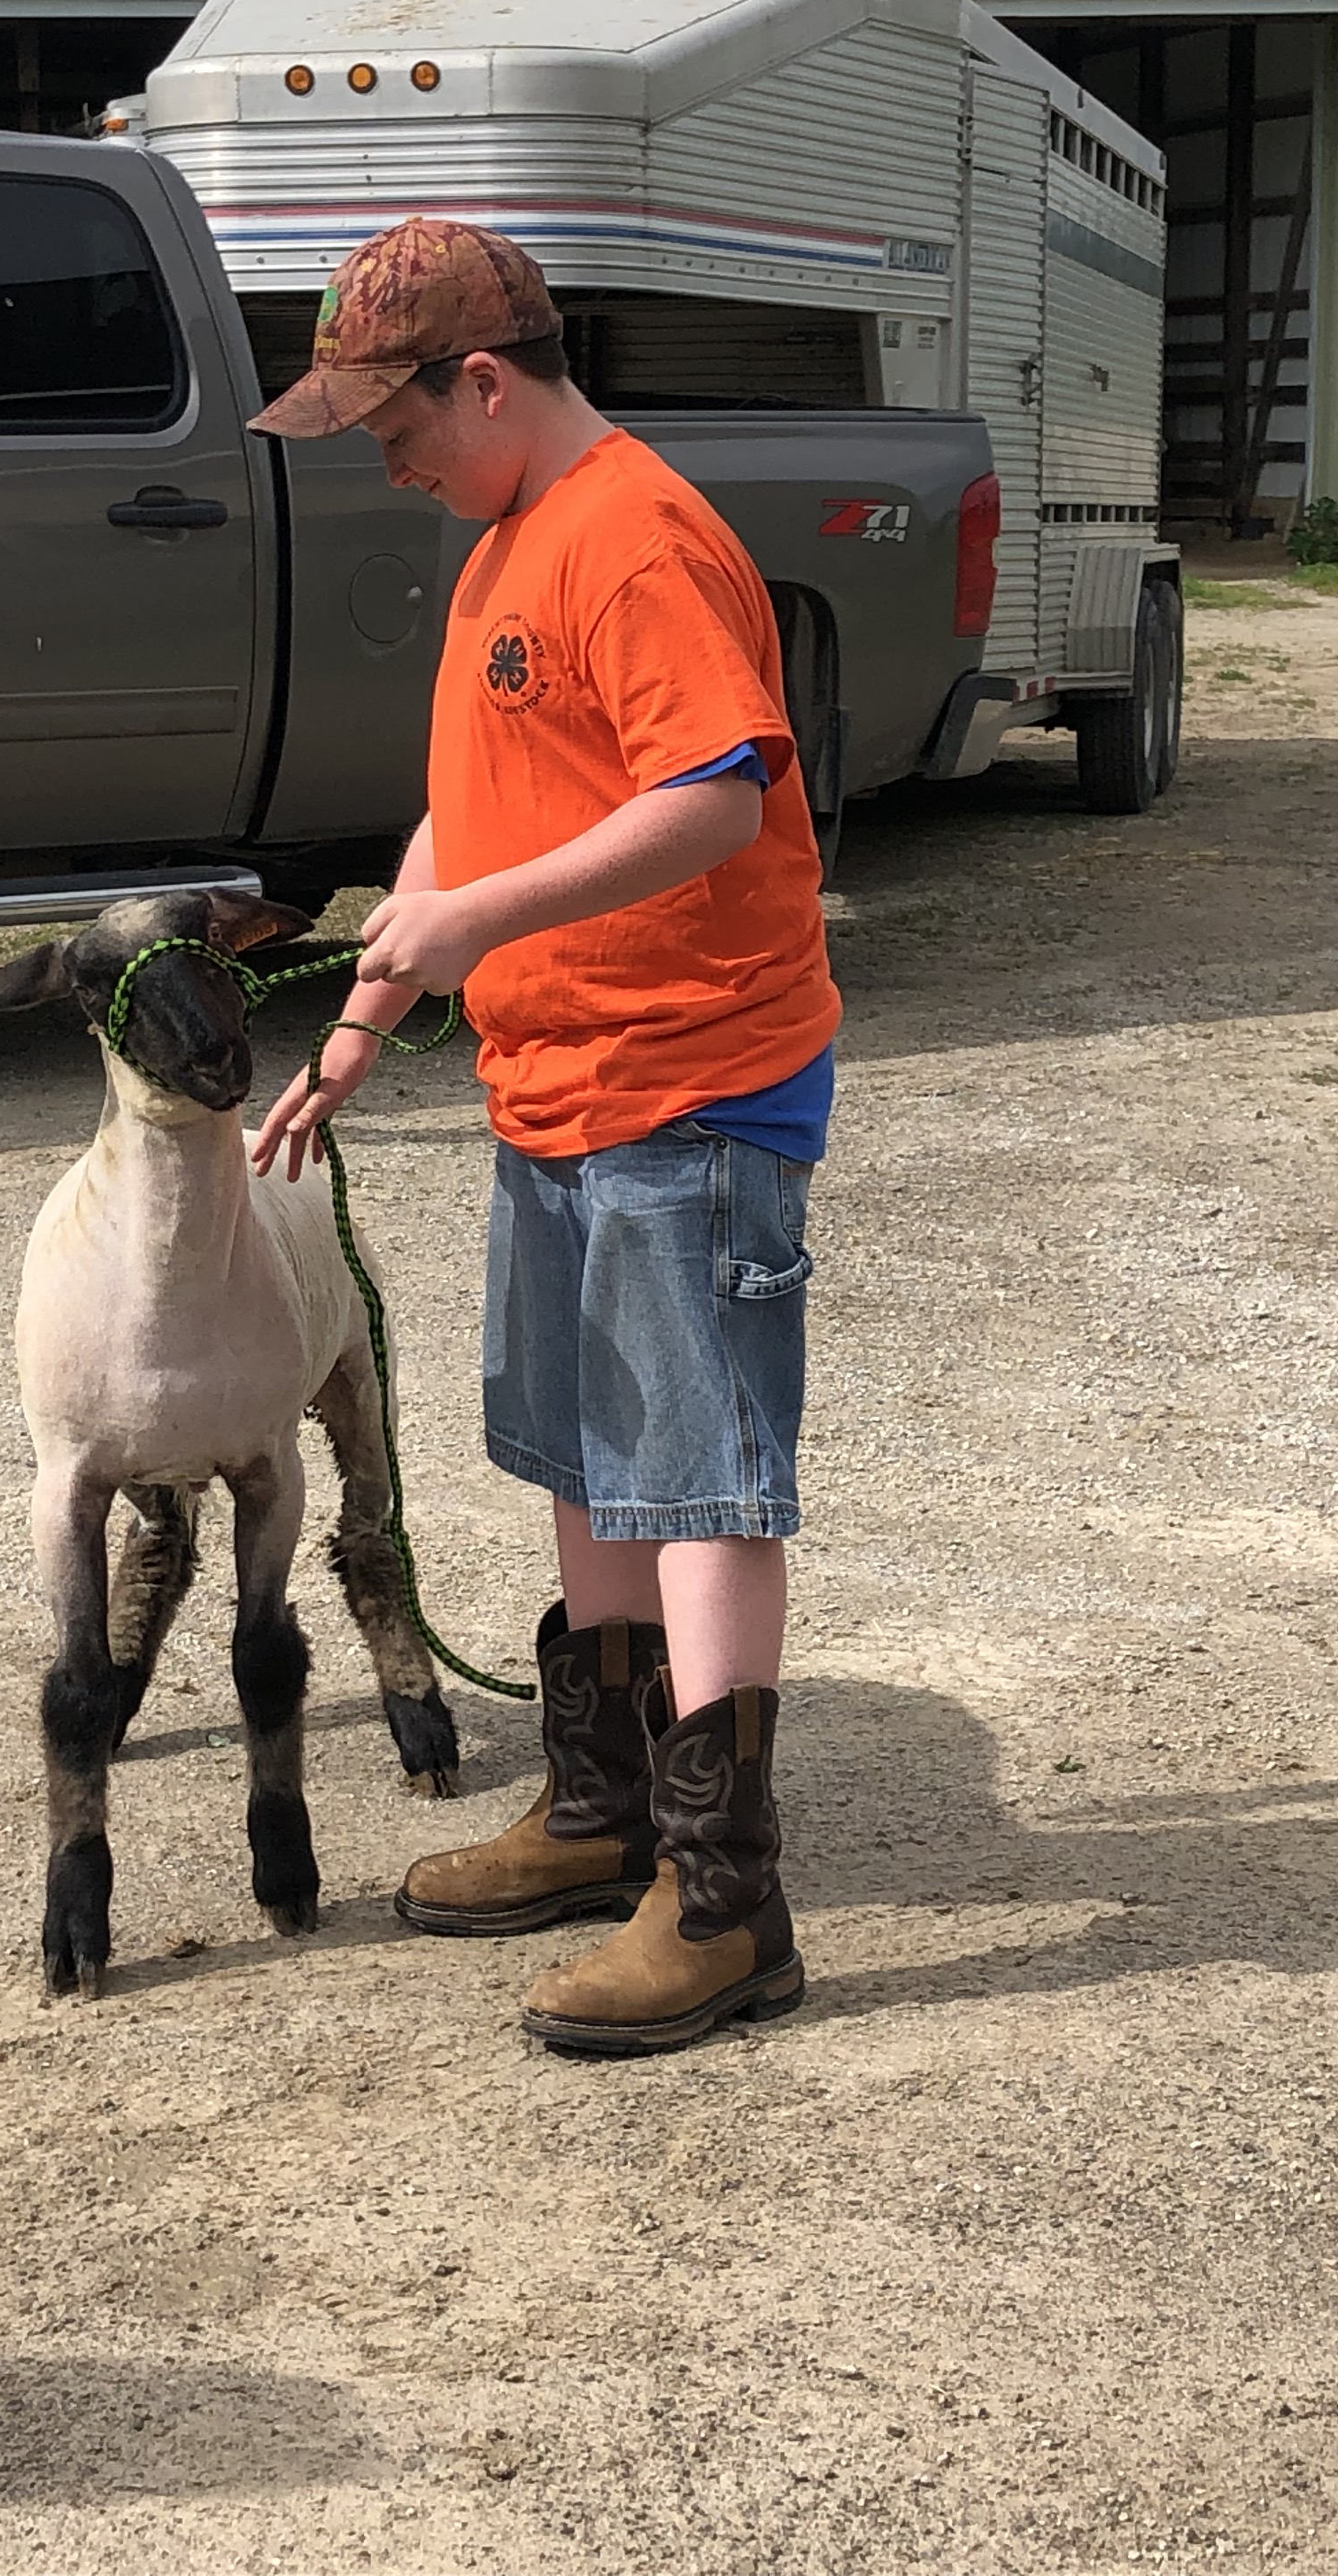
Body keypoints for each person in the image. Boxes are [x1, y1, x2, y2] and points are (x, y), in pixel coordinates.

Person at [246, 219, 836, 2056]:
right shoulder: (508, 538)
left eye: (387, 419)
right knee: (589, 1454)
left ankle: (727, 1904)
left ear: (482, 380)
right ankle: (601, 1816)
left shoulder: (637, 537)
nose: (378, 451)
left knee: (701, 1474)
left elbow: (718, 799)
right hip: (561, 1083)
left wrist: (477, 931)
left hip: (693, 1080)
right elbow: (466, 819)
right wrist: (365, 1018)